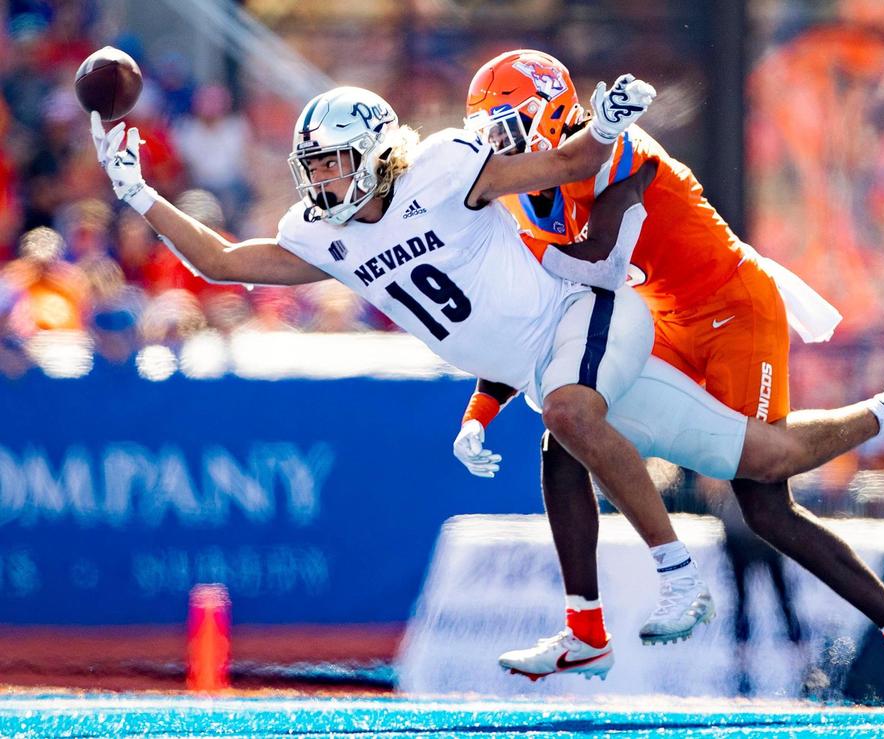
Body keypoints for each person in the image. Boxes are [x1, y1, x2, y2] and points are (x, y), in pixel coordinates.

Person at [88, 74, 729, 673]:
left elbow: (565, 164)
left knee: (567, 418)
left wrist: (607, 125)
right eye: (313, 169)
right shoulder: (324, 235)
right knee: (570, 457)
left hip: (579, 313)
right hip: (529, 364)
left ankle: (678, 575)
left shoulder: (443, 170)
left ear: (371, 153)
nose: (321, 184)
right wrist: (138, 192)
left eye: (333, 165)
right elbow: (222, 262)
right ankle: (588, 635)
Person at [455, 50, 884, 718]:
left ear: (550, 107)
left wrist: (521, 254)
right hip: (660, 317)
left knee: (764, 499)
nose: (498, 144)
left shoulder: (612, 146)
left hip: (729, 308)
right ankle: (584, 625)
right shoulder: (529, 191)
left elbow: (596, 258)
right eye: (489, 129)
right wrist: (482, 407)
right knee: (565, 432)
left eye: (507, 125)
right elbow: (544, 324)